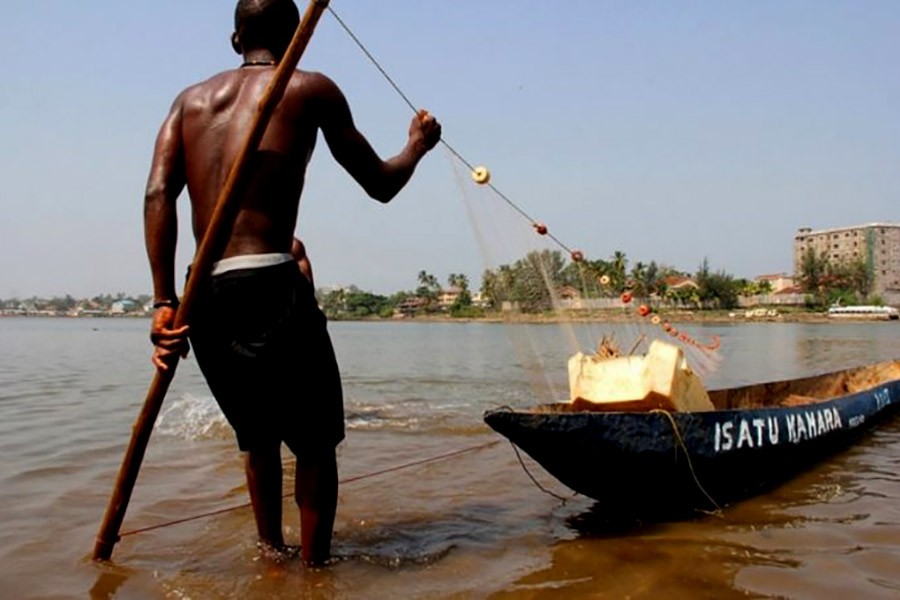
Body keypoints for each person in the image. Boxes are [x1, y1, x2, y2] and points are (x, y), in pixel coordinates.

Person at [144, 0, 441, 565]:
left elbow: (159, 193)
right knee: (314, 442)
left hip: (201, 295)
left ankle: (269, 555)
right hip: (272, 283)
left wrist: (163, 301)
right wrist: (416, 146)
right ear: (296, 37)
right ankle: (313, 571)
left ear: (236, 41)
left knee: (257, 438)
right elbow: (380, 184)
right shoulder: (310, 88)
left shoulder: (189, 102)